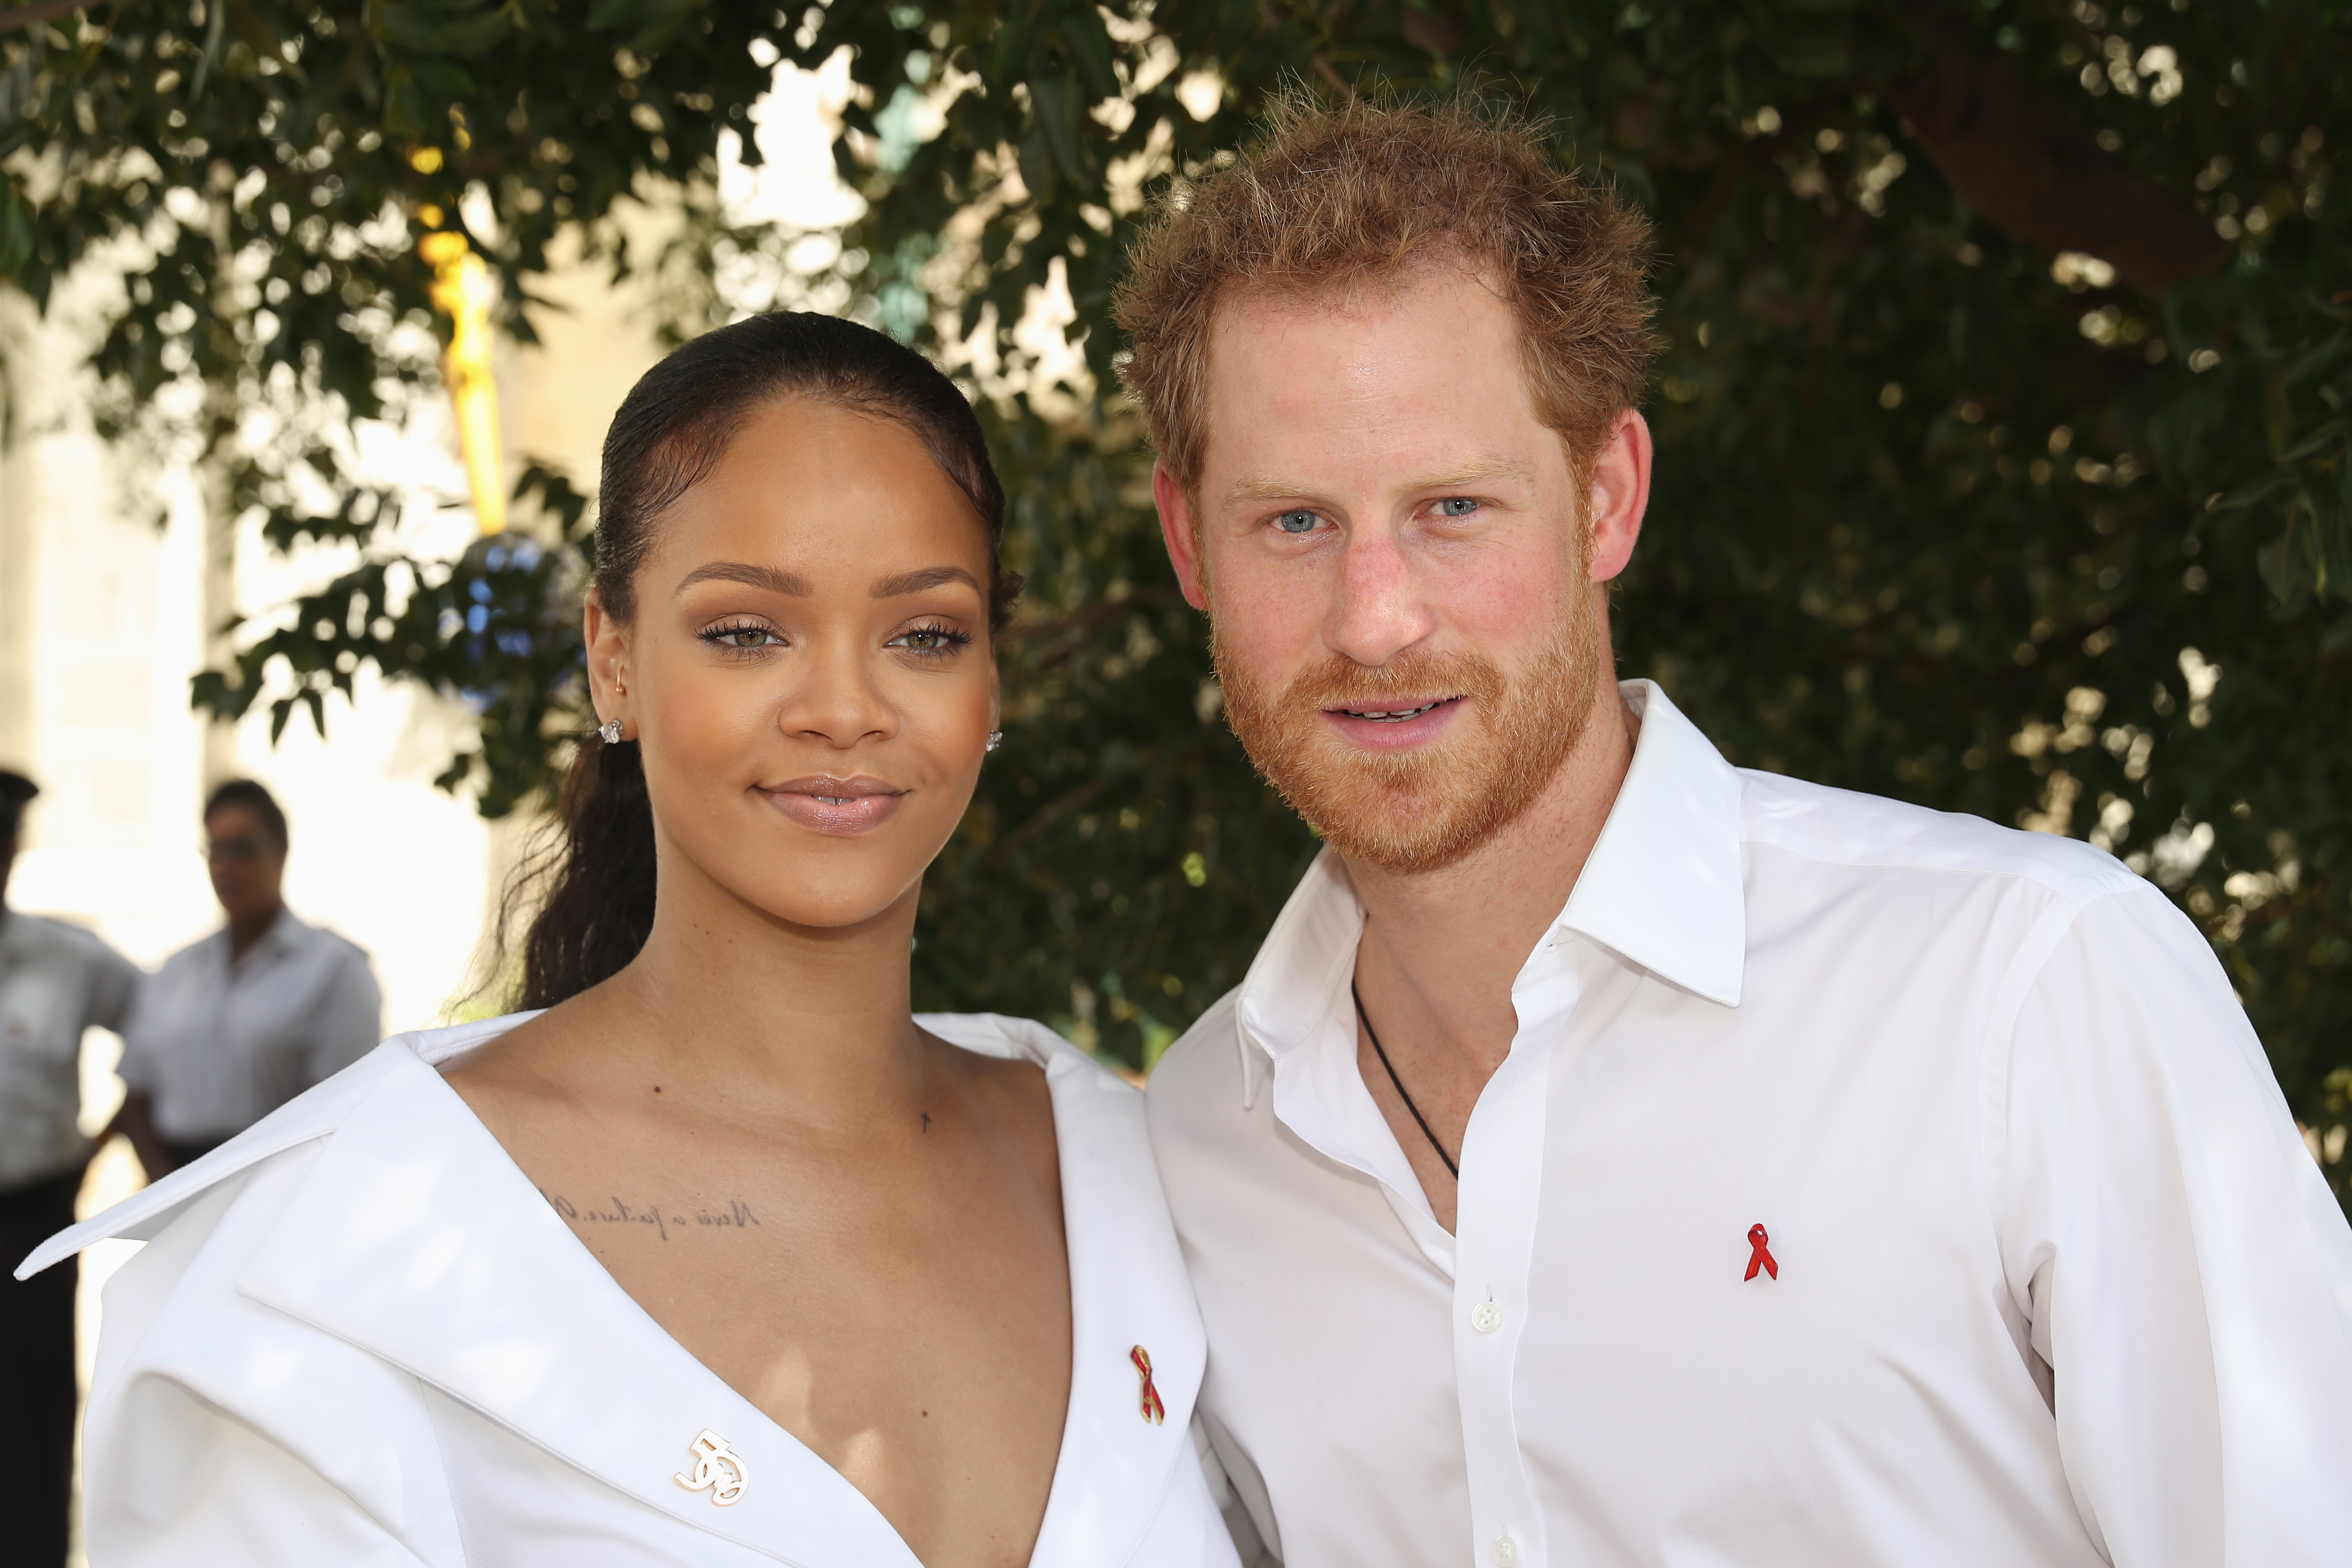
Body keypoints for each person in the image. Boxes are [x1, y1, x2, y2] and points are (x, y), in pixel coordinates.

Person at [1123, 95, 2352, 1568]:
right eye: (1295, 524)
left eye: (1453, 506)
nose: (1377, 616)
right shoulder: (1192, 1149)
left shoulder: (2023, 993)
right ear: (1190, 541)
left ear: (1607, 499)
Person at [20, 313, 1240, 1567]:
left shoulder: (1132, 1178)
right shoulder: (326, 1256)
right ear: (613, 660)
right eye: (747, 631)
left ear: (994, 680)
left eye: (924, 634)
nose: (842, 708)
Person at [0, 770, 143, 1567]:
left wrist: (109, 1140)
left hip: (30, 1218)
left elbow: (163, 1036)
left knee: (32, 1418)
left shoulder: (65, 957)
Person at [106, 778, 380, 1175]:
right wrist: (167, 1184)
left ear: (281, 852)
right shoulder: (176, 971)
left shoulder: (333, 970)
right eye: (214, 850)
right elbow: (136, 1096)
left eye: (241, 849)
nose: (224, 867)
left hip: (279, 1182)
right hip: (175, 1179)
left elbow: (341, 1108)